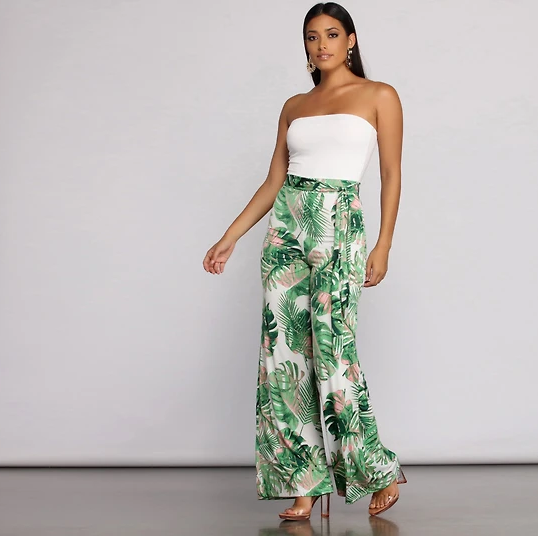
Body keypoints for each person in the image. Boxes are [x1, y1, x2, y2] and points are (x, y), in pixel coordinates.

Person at [203, 1, 406, 521]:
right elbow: (275, 179)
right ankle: (303, 482)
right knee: (284, 357)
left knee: (334, 351)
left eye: (332, 34)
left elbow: (390, 173)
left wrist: (383, 244)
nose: (322, 45)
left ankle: (377, 469)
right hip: (286, 229)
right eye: (312, 37)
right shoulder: (294, 105)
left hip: (339, 224)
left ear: (351, 40)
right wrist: (230, 237)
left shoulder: (380, 95)